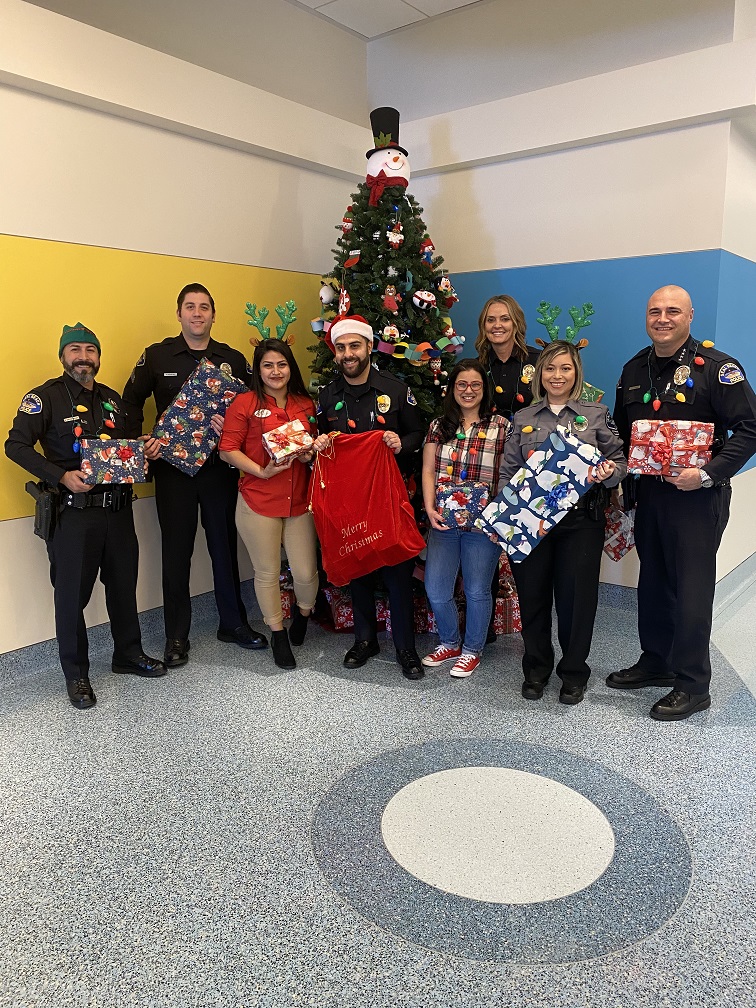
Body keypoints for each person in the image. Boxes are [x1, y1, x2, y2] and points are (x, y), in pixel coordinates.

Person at [610, 284, 756, 720]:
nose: (663, 318)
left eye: (673, 311)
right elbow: (622, 431)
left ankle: (693, 684)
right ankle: (657, 660)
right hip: (649, 494)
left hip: (698, 496)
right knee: (653, 581)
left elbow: (750, 428)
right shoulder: (635, 368)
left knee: (691, 589)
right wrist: (618, 480)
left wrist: (708, 473)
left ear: (690, 316)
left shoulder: (717, 368)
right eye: (655, 310)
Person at [5, 324, 166, 709]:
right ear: (63, 356)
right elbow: (15, 445)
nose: (83, 357)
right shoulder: (43, 399)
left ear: (98, 356)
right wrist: (60, 475)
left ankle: (127, 654)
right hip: (73, 516)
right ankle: (76, 674)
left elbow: (130, 450)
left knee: (123, 586)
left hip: (119, 512)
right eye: (75, 349)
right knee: (72, 597)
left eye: (90, 349)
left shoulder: (114, 401)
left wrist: (148, 450)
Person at [122, 283, 267, 668]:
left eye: (205, 307)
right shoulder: (156, 356)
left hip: (220, 470)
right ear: (180, 313)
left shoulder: (233, 359)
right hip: (172, 472)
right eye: (190, 307)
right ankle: (176, 636)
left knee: (224, 548)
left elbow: (257, 407)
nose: (198, 313)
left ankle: (233, 624)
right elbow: (130, 401)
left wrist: (234, 426)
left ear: (214, 314)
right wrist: (141, 442)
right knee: (176, 553)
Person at [501, 341, 626, 705]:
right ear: (540, 373)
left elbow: (620, 462)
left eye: (565, 368)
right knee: (533, 598)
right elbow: (509, 472)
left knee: (576, 601)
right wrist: (502, 520)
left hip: (581, 521)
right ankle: (536, 669)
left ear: (576, 373)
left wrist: (608, 473)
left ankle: (573, 673)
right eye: (550, 368)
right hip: (529, 521)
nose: (557, 376)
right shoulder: (523, 418)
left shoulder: (597, 414)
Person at [313, 315, 425, 680]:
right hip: (349, 502)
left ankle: (406, 648)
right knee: (357, 569)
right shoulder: (327, 396)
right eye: (341, 347)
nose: (348, 354)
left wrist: (399, 443)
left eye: (354, 346)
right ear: (336, 353)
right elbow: (318, 441)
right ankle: (365, 640)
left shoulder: (394, 389)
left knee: (396, 572)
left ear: (368, 347)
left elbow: (418, 434)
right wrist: (322, 443)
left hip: (387, 498)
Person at [219, 339, 318, 669]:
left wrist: (308, 454)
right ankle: (277, 633)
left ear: (291, 368)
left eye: (282, 364)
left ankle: (304, 614)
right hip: (258, 501)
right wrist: (261, 471)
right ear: (258, 370)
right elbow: (227, 449)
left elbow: (314, 450)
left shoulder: (306, 404)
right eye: (268, 365)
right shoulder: (244, 403)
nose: (276, 371)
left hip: (300, 501)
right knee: (268, 573)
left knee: (306, 572)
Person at [421, 359, 509, 678]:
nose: (468, 390)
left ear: (484, 389)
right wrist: (430, 508)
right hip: (444, 522)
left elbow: (509, 473)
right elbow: (428, 469)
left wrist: (502, 516)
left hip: (483, 526)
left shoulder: (501, 426)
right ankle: (450, 642)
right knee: (437, 589)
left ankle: (472, 649)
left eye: (475, 385)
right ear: (452, 389)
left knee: (476, 589)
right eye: (461, 384)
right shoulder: (438, 426)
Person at [475, 295, 540, 422]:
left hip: (530, 437)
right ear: (483, 326)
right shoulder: (477, 367)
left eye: (505, 319)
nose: (497, 325)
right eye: (490, 320)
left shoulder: (539, 360)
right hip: (487, 438)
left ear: (516, 323)